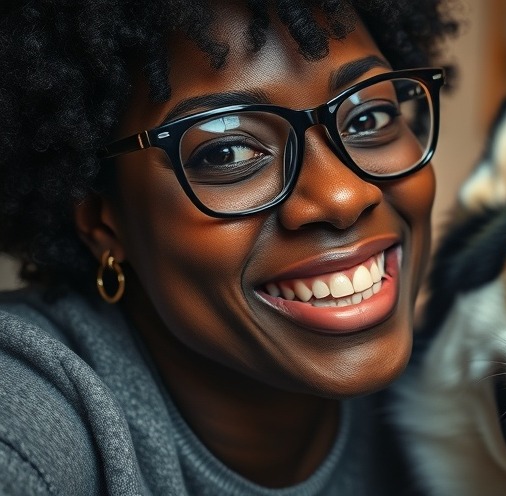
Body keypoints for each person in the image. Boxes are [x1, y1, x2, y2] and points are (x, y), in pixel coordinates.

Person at [0, 1, 459, 494]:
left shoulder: (477, 401)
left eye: (368, 117)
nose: (344, 195)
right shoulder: (27, 418)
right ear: (103, 222)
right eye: (228, 151)